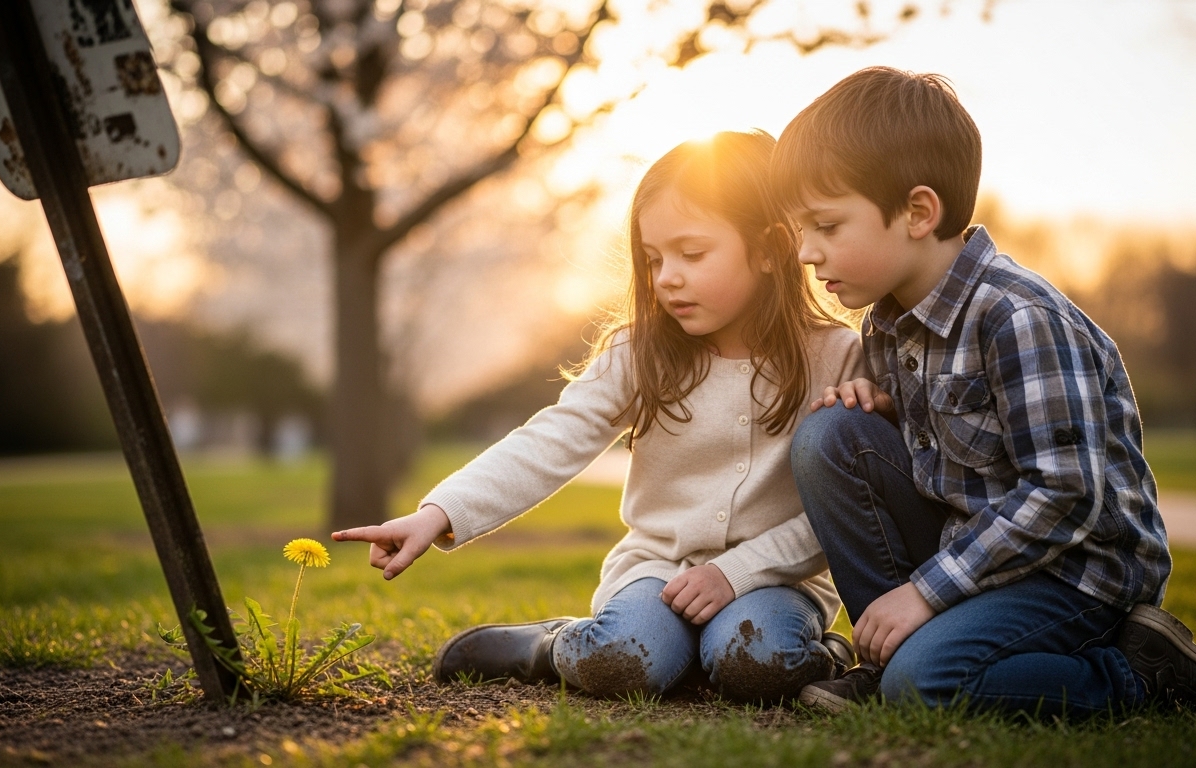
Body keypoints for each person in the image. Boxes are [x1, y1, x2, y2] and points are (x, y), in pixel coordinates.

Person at [333, 130, 865, 702]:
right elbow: (551, 440)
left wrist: (735, 573)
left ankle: (817, 651)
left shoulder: (837, 356)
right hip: (656, 572)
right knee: (620, 662)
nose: (666, 278)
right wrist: (439, 513)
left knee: (758, 663)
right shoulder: (640, 352)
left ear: (769, 248)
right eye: (654, 258)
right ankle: (550, 644)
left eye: (692, 253)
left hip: (776, 581)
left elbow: (840, 508)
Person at [775, 66, 1196, 718]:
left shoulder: (1017, 317)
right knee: (831, 436)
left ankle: (1137, 675)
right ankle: (886, 656)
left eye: (825, 226)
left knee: (924, 685)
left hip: (1075, 573)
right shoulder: (886, 318)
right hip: (977, 548)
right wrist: (880, 406)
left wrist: (927, 593)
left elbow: (1065, 493)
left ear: (917, 212)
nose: (805, 252)